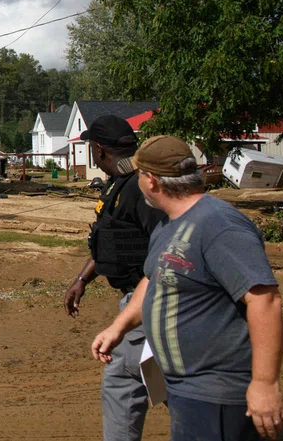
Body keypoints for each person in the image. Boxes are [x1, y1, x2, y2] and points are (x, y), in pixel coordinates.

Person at [92, 136, 283, 441]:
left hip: (220, 395)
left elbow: (265, 301)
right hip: (185, 390)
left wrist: (264, 383)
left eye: (139, 174)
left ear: (152, 181)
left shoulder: (219, 225)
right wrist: (119, 327)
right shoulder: (169, 224)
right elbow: (155, 278)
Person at [63, 115, 167, 441]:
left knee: (156, 381)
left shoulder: (141, 188)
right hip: (136, 304)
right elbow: (111, 241)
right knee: (129, 378)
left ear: (97, 150)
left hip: (150, 304)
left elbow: (168, 248)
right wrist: (82, 279)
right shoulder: (119, 184)